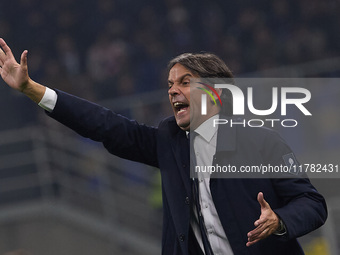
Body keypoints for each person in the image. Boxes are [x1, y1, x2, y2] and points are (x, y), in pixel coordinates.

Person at [0, 38, 327, 255]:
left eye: (185, 82)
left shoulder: (259, 141)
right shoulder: (168, 139)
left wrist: (279, 221)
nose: (172, 92)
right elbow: (105, 124)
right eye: (170, 85)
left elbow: (311, 203)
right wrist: (32, 89)